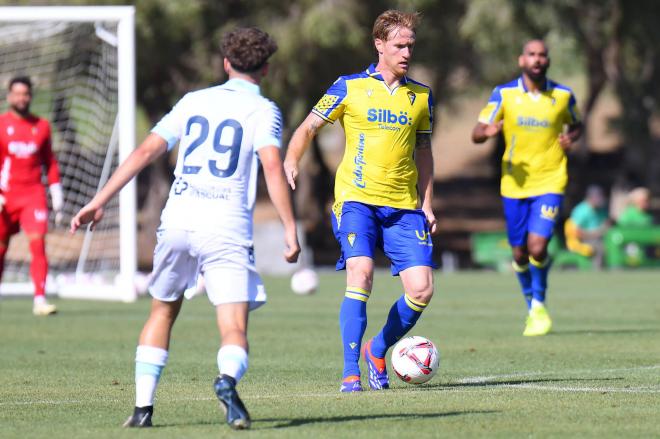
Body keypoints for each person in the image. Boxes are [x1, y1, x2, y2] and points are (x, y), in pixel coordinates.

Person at [71, 27, 300, 430]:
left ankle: (143, 410)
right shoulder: (264, 111)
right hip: (225, 224)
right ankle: (226, 381)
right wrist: (289, 228)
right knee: (232, 326)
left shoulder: (194, 100)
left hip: (177, 219)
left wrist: (98, 200)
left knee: (162, 310)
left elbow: (145, 151)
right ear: (265, 68)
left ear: (225, 63)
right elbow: (271, 167)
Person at [284, 10, 437, 393]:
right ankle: (350, 371)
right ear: (379, 44)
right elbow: (308, 127)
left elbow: (425, 153)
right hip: (357, 200)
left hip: (404, 205)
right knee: (362, 274)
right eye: (399, 45)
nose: (406, 53)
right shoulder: (349, 87)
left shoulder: (420, 96)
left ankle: (378, 349)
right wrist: (291, 159)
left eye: (411, 46)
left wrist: (428, 202)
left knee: (421, 289)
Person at [472, 40, 583, 336]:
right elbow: (477, 132)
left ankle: (539, 305)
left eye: (542, 55)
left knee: (538, 246)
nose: (537, 59)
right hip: (514, 184)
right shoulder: (504, 94)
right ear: (522, 60)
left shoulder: (562, 96)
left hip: (550, 180)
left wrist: (572, 137)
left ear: (548, 60)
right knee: (520, 253)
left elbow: (576, 124)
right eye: (531, 55)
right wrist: (488, 130)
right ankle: (531, 304)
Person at [0, 76, 63, 316]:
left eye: (25, 94)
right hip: (6, 197)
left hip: (33, 194)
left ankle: (39, 299)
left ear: (30, 96)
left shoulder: (42, 126)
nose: (21, 98)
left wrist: (56, 192)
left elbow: (50, 162)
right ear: (9, 96)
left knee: (38, 243)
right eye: (17, 93)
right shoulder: (1, 124)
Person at [565, 185, 610, 266]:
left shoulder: (601, 210)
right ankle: (597, 271)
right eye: (597, 197)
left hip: (599, 238)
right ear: (590, 197)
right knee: (600, 248)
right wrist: (594, 234)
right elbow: (575, 231)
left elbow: (606, 226)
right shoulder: (581, 210)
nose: (599, 199)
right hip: (582, 240)